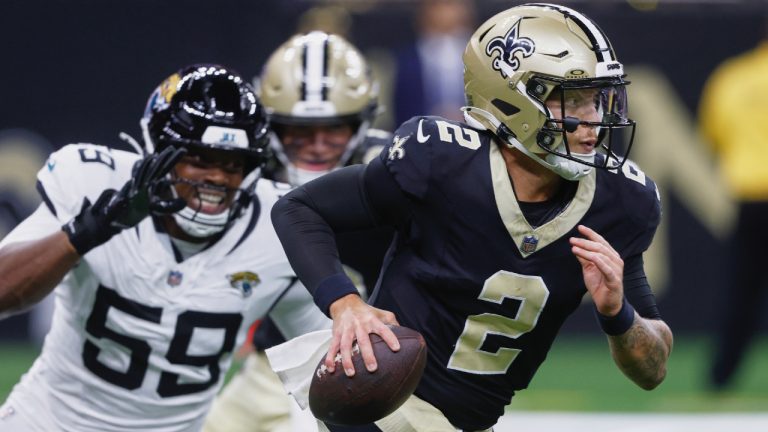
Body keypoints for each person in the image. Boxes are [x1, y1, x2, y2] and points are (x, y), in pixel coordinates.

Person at [270, 4, 674, 431]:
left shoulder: (622, 201)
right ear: (513, 99)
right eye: (571, 100)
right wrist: (345, 304)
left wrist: (618, 313)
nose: (593, 120)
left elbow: (653, 370)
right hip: (388, 405)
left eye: (597, 98)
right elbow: (298, 207)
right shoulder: (440, 160)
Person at [0, 64, 330, 432]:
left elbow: (327, 360)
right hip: (46, 423)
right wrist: (84, 234)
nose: (216, 178)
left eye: (232, 164)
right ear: (157, 151)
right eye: (199, 160)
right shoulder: (95, 183)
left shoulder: (278, 226)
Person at [203, 32, 393, 432]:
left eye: (334, 129)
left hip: (376, 359)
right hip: (274, 360)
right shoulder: (250, 171)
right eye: (299, 130)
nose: (317, 145)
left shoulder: (392, 170)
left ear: (360, 125)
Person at [699, 34, 768, 390]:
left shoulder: (733, 77)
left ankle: (721, 377)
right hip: (751, 194)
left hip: (750, 197)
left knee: (743, 292)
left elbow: (713, 136)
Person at [392, 0, 476, 126]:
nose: (444, 13)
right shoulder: (407, 60)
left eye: (450, 4)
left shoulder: (480, 54)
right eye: (437, 5)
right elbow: (402, 109)